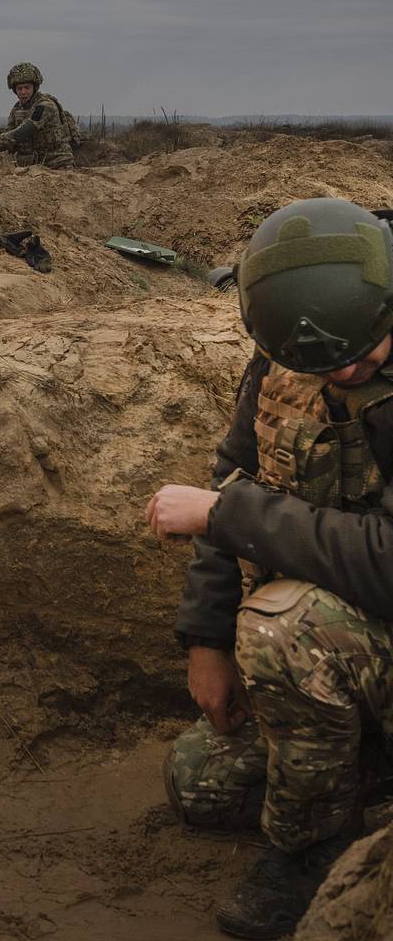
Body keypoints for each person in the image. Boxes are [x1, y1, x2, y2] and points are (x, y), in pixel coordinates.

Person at [146, 197, 393, 939]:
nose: (343, 370)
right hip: (358, 650)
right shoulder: (301, 332)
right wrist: (206, 643)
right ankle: (367, 775)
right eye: (321, 360)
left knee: (286, 630)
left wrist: (227, 517)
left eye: (363, 354)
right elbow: (236, 471)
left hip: (341, 624)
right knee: (202, 786)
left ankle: (313, 852)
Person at [0, 62, 80, 169]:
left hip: (56, 165)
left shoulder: (45, 106)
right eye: (19, 88)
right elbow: (9, 139)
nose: (23, 92)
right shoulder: (17, 109)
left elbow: (23, 132)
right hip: (32, 168)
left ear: (35, 87)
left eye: (27, 87)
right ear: (15, 90)